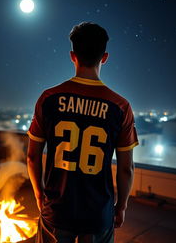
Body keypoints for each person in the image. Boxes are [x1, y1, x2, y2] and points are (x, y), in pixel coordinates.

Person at [27, 22, 138, 243]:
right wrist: (121, 207)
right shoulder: (120, 106)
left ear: (72, 55)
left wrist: (40, 196)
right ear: (104, 57)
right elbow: (126, 169)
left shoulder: (48, 99)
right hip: (98, 213)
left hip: (56, 210)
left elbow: (32, 156)